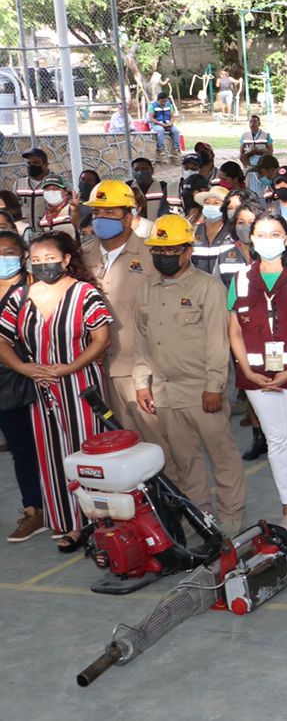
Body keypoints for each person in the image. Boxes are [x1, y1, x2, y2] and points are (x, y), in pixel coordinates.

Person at [133, 216, 246, 534]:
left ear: (186, 251)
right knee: (185, 461)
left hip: (201, 390)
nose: (163, 256)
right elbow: (141, 342)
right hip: (165, 392)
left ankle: (231, 515)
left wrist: (214, 386)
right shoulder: (146, 290)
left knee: (221, 455)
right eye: (158, 250)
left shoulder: (207, 287)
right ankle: (201, 516)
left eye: (170, 250)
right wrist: (142, 382)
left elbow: (217, 342)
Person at [0, 232, 111, 548]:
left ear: (65, 260)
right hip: (42, 389)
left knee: (87, 452)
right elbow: (2, 340)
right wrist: (24, 368)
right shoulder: (20, 297)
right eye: (36, 260)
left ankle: (98, 523)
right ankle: (68, 523)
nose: (43, 265)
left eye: (50, 258)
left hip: (81, 385)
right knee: (52, 456)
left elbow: (102, 340)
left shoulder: (84, 293)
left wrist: (71, 367)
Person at [227, 211, 287, 535]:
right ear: (251, 239)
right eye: (261, 234)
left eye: (274, 234)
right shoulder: (240, 279)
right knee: (276, 441)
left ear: (285, 239)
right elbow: (234, 332)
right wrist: (248, 371)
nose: (267, 240)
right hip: (256, 375)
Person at [81, 181, 175, 471]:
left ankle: (176, 512)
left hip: (143, 369)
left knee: (161, 449)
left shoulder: (150, 256)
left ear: (128, 215)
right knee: (120, 452)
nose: (102, 218)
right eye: (97, 212)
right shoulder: (83, 256)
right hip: (98, 370)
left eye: (110, 212)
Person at [0, 231, 44, 542]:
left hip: (24, 378)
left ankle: (40, 509)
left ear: (23, 254)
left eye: (10, 252)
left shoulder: (33, 290)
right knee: (18, 447)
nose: (4, 259)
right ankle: (34, 508)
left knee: (31, 447)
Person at [14, 147, 49, 225]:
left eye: (36, 163)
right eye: (29, 163)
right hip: (25, 232)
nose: (32, 166)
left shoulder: (57, 183)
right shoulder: (19, 184)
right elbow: (13, 208)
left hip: (48, 232)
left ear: (46, 164)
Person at [148, 91, 180, 159]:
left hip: (167, 123)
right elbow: (151, 118)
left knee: (176, 131)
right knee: (160, 130)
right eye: (162, 101)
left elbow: (172, 116)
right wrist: (160, 124)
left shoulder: (169, 105)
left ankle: (176, 149)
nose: (163, 103)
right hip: (156, 124)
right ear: (158, 100)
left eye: (165, 101)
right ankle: (161, 149)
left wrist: (171, 123)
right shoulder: (152, 106)